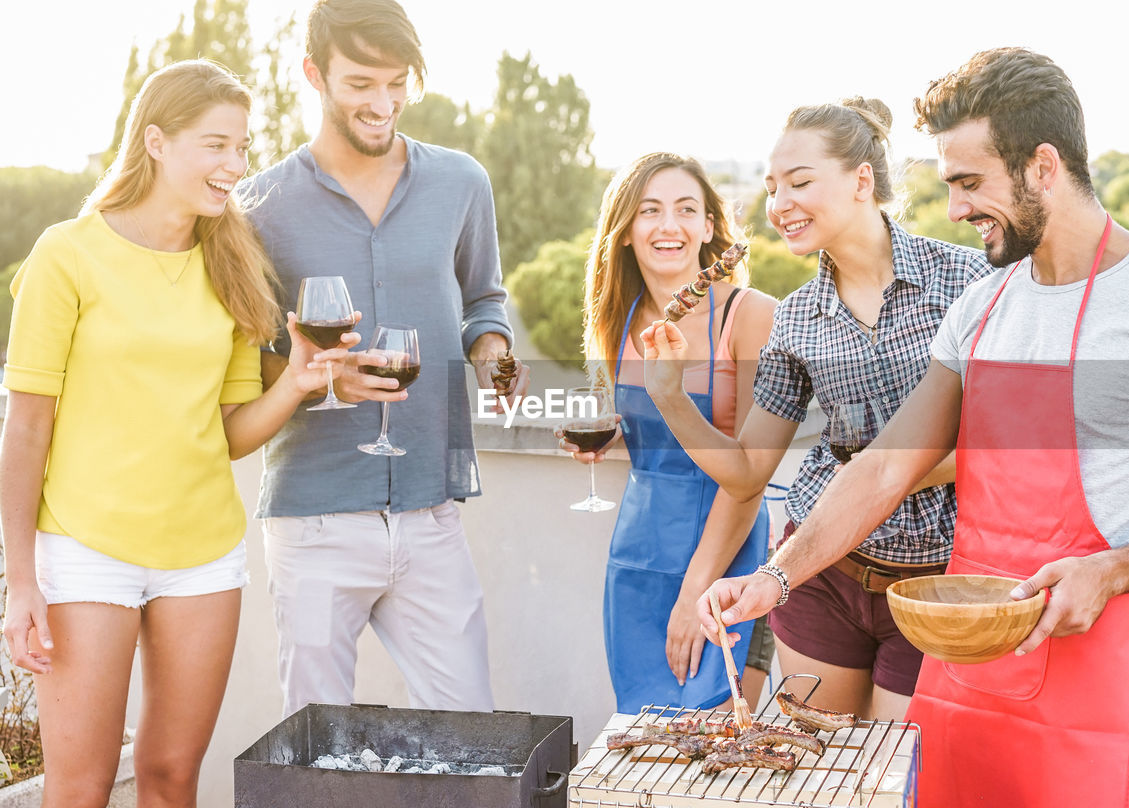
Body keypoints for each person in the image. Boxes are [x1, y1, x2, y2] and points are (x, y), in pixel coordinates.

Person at [697, 47, 1129, 808]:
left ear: (1043, 166)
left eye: (970, 183)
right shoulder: (983, 307)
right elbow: (883, 468)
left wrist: (1112, 570)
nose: (955, 209)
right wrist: (776, 579)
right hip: (969, 656)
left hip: (1102, 657)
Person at [0, 60, 345, 807]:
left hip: (203, 559)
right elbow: (26, 427)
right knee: (80, 788)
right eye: (215, 145)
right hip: (87, 552)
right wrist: (20, 578)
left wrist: (296, 382)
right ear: (155, 142)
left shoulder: (231, 265)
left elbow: (226, 433)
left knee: (170, 778)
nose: (235, 166)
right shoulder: (68, 255)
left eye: (243, 148)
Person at [641, 100, 992, 719]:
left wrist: (880, 475)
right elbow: (749, 470)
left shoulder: (966, 280)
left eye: (800, 182)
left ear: (862, 181)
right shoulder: (796, 319)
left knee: (895, 773)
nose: (779, 205)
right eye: (773, 188)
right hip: (819, 576)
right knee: (823, 768)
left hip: (938, 582)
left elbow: (1006, 444)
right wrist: (669, 394)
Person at [239, 0, 526, 717]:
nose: (384, 102)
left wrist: (494, 355)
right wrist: (319, 379)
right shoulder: (256, 207)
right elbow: (253, 365)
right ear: (315, 74)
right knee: (316, 754)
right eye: (362, 82)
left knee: (469, 733)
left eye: (398, 82)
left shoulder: (462, 183)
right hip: (314, 516)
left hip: (431, 508)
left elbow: (483, 300)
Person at [557, 152, 778, 713]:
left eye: (686, 210)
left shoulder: (750, 316)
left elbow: (748, 477)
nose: (669, 226)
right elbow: (655, 438)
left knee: (722, 755)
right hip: (638, 558)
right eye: (650, 211)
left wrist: (694, 590)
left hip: (730, 559)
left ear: (709, 226)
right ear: (627, 231)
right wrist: (616, 437)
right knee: (645, 752)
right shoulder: (618, 321)